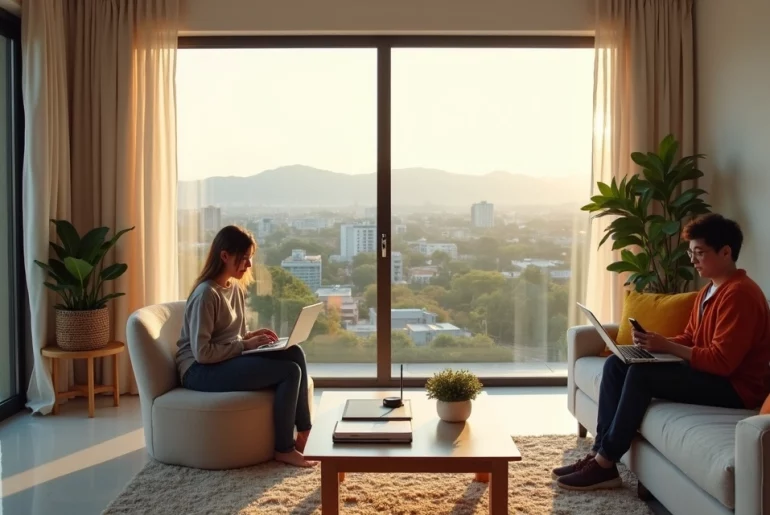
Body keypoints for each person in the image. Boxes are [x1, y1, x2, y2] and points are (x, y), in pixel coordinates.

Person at [554, 213, 770, 491]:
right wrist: (654, 342)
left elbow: (722, 362)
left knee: (641, 376)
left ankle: (606, 462)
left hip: (735, 388)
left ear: (726, 252)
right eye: (691, 253)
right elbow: (692, 338)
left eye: (699, 253)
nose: (693, 260)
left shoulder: (740, 295)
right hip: (711, 374)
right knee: (616, 366)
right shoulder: (709, 291)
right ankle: (599, 455)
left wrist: (667, 347)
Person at [175, 225, 315, 468]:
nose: (249, 265)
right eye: (244, 258)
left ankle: (305, 434)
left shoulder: (234, 288)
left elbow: (233, 336)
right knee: (290, 372)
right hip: (198, 371)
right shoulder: (206, 294)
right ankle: (284, 449)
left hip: (223, 360)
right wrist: (245, 344)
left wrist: (253, 336)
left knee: (295, 352)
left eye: (250, 258)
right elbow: (203, 353)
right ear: (225, 256)